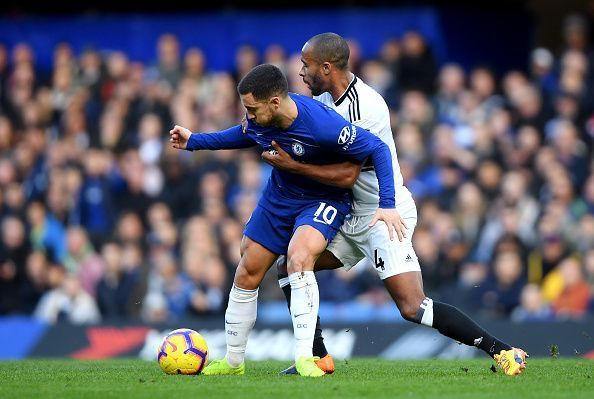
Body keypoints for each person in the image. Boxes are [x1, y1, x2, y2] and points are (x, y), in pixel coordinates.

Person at [263, 33, 528, 376]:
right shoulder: (325, 102)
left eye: (306, 65)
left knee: (412, 306)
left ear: (326, 67)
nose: (300, 72)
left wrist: (294, 166)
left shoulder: (365, 107)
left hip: (383, 215)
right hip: (349, 214)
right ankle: (317, 357)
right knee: (291, 266)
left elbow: (346, 174)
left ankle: (503, 350)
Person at [169, 63, 404, 377]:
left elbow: (377, 148)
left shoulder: (322, 125)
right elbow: (242, 134)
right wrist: (194, 141)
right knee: (248, 267)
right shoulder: (260, 118)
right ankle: (233, 362)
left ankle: (307, 358)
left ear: (274, 103)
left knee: (299, 256)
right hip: (280, 197)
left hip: (324, 199)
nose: (249, 115)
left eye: (252, 109)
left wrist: (387, 204)